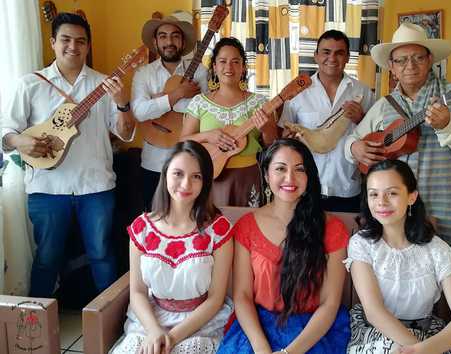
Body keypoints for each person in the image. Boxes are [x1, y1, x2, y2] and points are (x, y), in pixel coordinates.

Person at [1, 13, 136, 297]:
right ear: (53, 42)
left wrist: (123, 105)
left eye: (80, 41)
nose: (73, 47)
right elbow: (6, 129)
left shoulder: (104, 85)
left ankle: (109, 324)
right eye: (65, 39)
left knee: (102, 255)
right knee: (47, 259)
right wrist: (21, 141)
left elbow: (125, 133)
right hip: (47, 188)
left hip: (95, 185)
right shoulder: (30, 84)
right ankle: (35, 324)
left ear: (88, 46)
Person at [344, 22, 451, 246]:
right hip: (392, 211)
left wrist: (448, 125)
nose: (409, 66)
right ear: (391, 66)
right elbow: (351, 141)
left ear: (430, 59)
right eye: (401, 60)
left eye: (418, 58)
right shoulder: (384, 105)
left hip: (442, 209)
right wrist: (355, 148)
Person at [217, 138, 350, 354]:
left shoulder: (331, 228)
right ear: (267, 175)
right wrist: (261, 348)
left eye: (299, 169)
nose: (290, 178)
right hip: (258, 327)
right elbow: (242, 296)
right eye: (280, 168)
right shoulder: (247, 226)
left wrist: (291, 352)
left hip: (314, 329)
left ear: (309, 177)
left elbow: (330, 303)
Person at [110, 140, 233, 354]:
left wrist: (171, 338)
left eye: (196, 176)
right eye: (178, 173)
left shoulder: (218, 229)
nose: (186, 184)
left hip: (200, 324)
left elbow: (215, 299)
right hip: (149, 321)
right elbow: (138, 292)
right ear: (165, 173)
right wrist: (154, 332)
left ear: (205, 182)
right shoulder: (142, 227)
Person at [345, 159, 451, 354]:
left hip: (427, 337)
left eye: (392, 193)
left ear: (412, 197)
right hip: (375, 333)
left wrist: (423, 350)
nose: (381, 202)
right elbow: (374, 313)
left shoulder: (438, 249)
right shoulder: (361, 244)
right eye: (374, 194)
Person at [280, 30, 375, 213]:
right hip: (305, 188)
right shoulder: (297, 92)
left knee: (345, 240)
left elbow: (376, 139)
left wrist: (360, 118)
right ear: (316, 56)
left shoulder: (364, 93)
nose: (332, 58)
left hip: (348, 189)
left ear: (347, 57)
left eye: (339, 53)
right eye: (326, 52)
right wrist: (289, 137)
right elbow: (284, 137)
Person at [180, 37, 278, 207]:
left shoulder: (260, 103)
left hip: (248, 176)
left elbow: (271, 145)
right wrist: (208, 136)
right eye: (223, 61)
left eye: (235, 61)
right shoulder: (199, 102)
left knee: (247, 228)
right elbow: (182, 142)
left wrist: (267, 128)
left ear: (243, 67)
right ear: (214, 66)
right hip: (209, 175)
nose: (229, 67)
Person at [132, 11, 207, 211]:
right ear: (155, 42)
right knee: (154, 219)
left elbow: (203, 113)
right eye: (163, 36)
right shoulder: (143, 74)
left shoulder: (200, 72)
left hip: (189, 163)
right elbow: (139, 112)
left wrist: (159, 101)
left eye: (175, 36)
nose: (169, 41)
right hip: (153, 163)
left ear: (183, 42)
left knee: (189, 219)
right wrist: (178, 94)